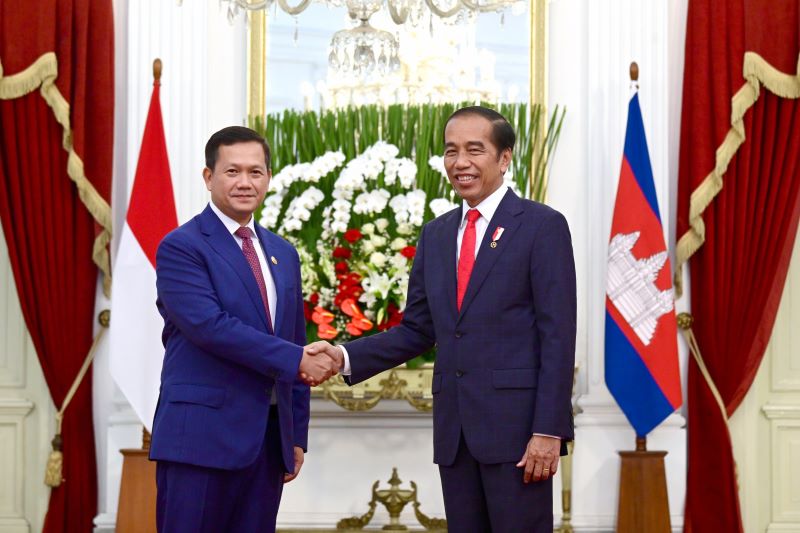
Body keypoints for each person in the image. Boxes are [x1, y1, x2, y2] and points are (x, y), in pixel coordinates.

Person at [308, 106, 577, 532]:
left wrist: (549, 429)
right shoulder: (436, 234)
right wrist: (343, 356)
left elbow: (558, 335)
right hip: (456, 435)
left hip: (520, 436)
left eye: (475, 149)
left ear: (504, 158)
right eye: (451, 151)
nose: (460, 162)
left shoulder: (541, 226)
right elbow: (418, 330)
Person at [150, 126, 338, 533]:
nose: (244, 182)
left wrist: (295, 434)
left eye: (255, 172)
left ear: (268, 178)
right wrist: (297, 359)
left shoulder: (283, 253)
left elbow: (294, 339)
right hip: (199, 440)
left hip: (266, 443)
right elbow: (210, 326)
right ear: (209, 177)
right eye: (232, 171)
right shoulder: (182, 246)